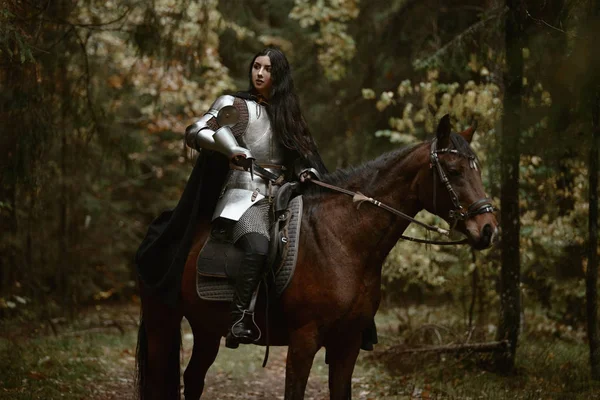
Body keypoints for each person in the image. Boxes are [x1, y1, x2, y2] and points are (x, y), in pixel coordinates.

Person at [184, 47, 327, 348]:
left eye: (268, 69)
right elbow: (196, 130)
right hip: (243, 197)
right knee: (258, 246)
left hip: (287, 198)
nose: (260, 73)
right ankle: (238, 319)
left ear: (279, 75)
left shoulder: (288, 113)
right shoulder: (234, 104)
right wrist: (229, 149)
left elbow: (302, 153)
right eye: (256, 67)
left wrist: (306, 170)